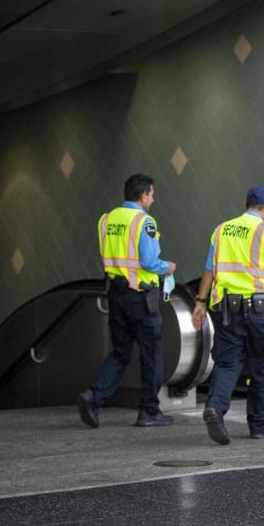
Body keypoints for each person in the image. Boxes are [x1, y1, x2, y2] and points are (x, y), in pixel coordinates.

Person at [191, 185, 264, 444]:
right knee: (262, 364)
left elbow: (209, 271)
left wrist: (200, 302)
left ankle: (215, 407)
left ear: (246, 203)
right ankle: (260, 425)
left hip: (226, 310)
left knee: (228, 362)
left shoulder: (221, 230)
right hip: (260, 310)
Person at [77, 174, 177, 428]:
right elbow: (149, 262)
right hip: (141, 297)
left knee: (120, 352)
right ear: (143, 194)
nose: (153, 199)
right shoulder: (144, 222)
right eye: (152, 194)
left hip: (116, 294)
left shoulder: (106, 220)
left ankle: (93, 397)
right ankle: (149, 411)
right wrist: (168, 267)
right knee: (151, 353)